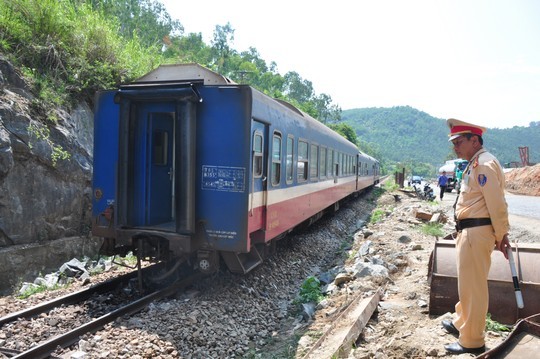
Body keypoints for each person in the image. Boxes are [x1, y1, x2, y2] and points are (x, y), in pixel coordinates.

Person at [441, 118, 511, 355]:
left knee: (474, 288)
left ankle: (472, 340)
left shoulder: (484, 164)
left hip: (476, 232)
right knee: (467, 285)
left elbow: (497, 203)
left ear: (475, 140)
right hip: (469, 232)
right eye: (454, 142)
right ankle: (463, 322)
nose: (455, 147)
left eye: (459, 141)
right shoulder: (475, 162)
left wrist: (502, 234)